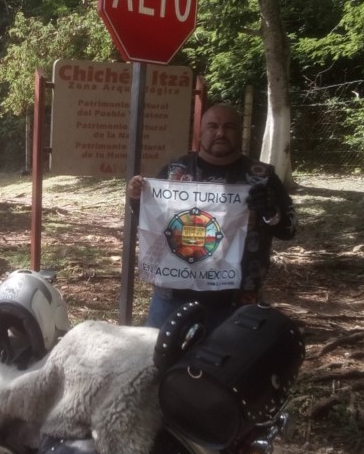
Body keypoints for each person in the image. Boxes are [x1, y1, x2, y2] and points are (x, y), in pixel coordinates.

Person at [126, 102, 297, 327]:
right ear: (200, 131)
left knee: (230, 362)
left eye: (229, 127)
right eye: (212, 126)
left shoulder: (262, 177)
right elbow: (152, 223)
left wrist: (270, 212)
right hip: (173, 296)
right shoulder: (175, 172)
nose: (220, 133)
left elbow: (289, 230)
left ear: (240, 131)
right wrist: (137, 199)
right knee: (158, 360)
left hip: (236, 301)